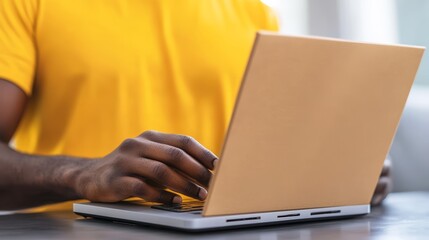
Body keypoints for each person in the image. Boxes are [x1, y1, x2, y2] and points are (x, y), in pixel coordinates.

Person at [0, 0, 391, 212]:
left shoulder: (256, 12)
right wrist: (81, 174)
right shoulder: (25, 4)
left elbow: (266, 155)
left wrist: (339, 173)